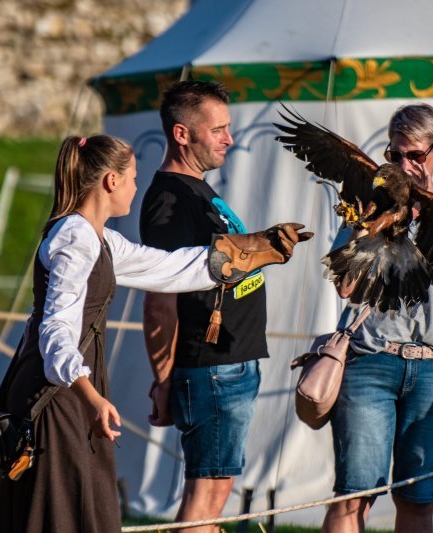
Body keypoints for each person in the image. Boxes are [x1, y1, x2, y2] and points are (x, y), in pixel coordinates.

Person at [0, 134, 308, 533]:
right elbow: (55, 330)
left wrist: (244, 253)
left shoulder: (98, 237)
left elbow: (164, 268)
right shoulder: (74, 238)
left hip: (71, 387)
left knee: (84, 502)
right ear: (110, 181)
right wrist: (89, 396)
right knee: (61, 509)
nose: (136, 187)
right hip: (57, 391)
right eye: (133, 178)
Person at [321, 103, 433, 533]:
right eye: (395, 155)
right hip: (371, 359)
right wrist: (369, 220)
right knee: (354, 496)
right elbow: (346, 287)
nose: (405, 165)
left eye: (415, 156)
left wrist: (429, 213)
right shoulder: (367, 204)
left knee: (417, 499)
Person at [139, 80, 285, 532]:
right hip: (210, 368)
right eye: (219, 129)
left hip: (229, 365)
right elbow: (159, 301)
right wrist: (162, 381)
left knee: (216, 488)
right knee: (205, 494)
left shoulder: (198, 192)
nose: (230, 139)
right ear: (183, 134)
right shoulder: (169, 201)